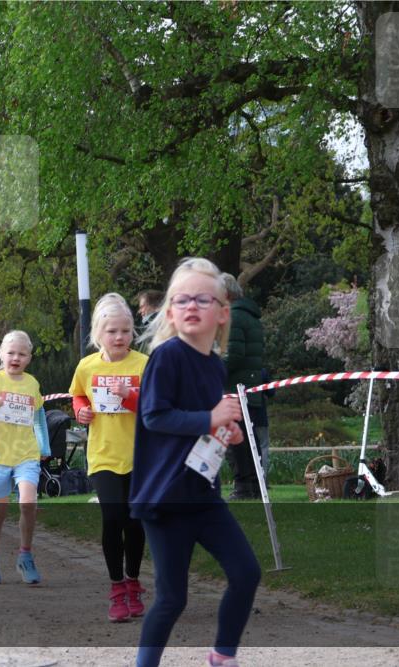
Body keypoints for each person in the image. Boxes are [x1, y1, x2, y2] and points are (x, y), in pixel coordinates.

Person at [131, 258, 261, 667]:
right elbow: (155, 416)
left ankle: (223, 656)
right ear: (169, 311)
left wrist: (226, 432)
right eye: (181, 299)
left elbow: (203, 420)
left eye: (202, 299)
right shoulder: (166, 357)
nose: (191, 306)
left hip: (203, 495)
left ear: (223, 312)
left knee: (246, 573)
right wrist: (211, 418)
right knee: (172, 599)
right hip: (165, 499)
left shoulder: (214, 364)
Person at [70, 293, 149, 622]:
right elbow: (77, 394)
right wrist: (81, 412)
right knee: (113, 518)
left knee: (134, 522)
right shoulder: (87, 366)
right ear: (98, 334)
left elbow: (152, 407)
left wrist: (129, 395)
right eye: (112, 331)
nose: (119, 337)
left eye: (126, 331)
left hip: (139, 456)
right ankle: (116, 588)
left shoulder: (143, 365)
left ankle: (133, 580)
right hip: (103, 455)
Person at [0, 330, 50, 586]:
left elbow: (39, 415)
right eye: (10, 353)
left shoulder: (32, 383)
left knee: (28, 503)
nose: (15, 358)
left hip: (26, 454)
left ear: (29, 358)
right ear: (1, 354)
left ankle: (25, 555)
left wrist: (45, 446)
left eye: (22, 354)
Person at [221, 273, 266, 499]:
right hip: (249, 387)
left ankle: (243, 487)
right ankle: (254, 486)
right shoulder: (250, 316)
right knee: (249, 439)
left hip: (234, 390)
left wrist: (209, 369)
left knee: (236, 440)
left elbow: (233, 355)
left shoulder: (235, 317)